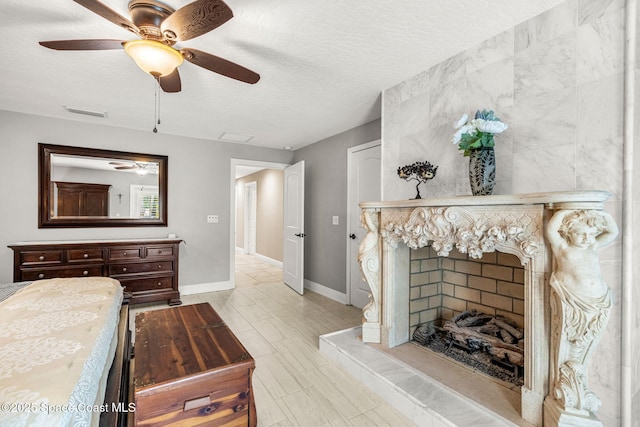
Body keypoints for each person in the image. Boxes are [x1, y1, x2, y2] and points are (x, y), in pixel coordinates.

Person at [545, 209, 618, 413]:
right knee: (572, 336)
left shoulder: (592, 245)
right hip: (572, 299)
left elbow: (612, 232)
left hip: (597, 302)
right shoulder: (563, 247)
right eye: (581, 233)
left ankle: (575, 371)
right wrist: (566, 211)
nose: (587, 238)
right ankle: (570, 373)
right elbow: (551, 229)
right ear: (569, 232)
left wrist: (602, 215)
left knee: (586, 338)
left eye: (591, 234)